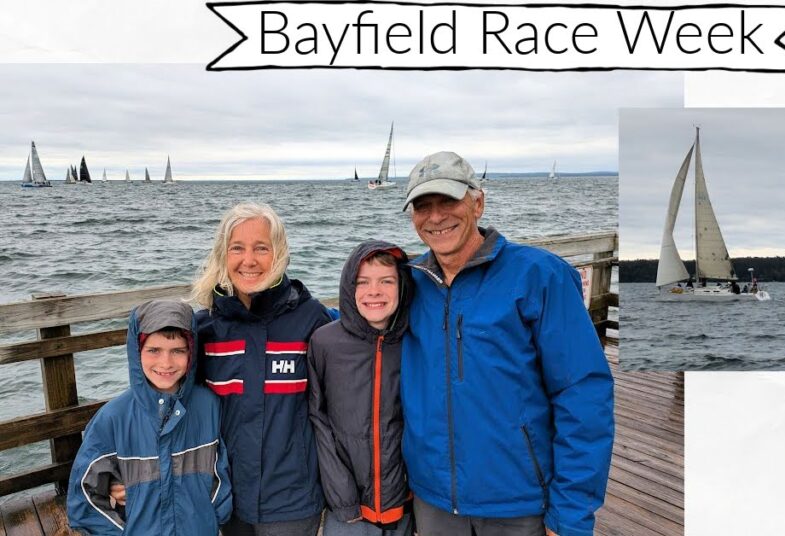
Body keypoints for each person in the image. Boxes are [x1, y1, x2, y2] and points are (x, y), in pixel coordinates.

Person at [400, 151, 614, 536]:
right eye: (422, 205)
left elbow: (583, 394)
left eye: (448, 200)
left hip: (519, 502)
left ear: (477, 202)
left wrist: (570, 515)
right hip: (432, 501)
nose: (435, 216)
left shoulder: (539, 275)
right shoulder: (407, 282)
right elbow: (356, 322)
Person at [190, 202, 331, 535]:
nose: (249, 260)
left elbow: (346, 395)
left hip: (292, 500)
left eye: (261, 248)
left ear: (279, 253)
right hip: (226, 496)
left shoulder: (311, 320)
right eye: (237, 248)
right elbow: (166, 405)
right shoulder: (205, 329)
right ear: (222, 254)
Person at [68, 300, 232, 535]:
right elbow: (85, 496)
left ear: (191, 352)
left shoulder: (209, 406)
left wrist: (214, 518)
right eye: (154, 350)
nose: (166, 363)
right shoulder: (113, 418)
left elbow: (221, 473)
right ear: (137, 352)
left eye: (178, 350)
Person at [308, 241, 415, 536]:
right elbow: (318, 420)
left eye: (387, 281)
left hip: (405, 505)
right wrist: (342, 496)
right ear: (348, 287)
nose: (374, 291)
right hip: (348, 511)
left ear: (402, 285)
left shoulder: (415, 339)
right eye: (362, 282)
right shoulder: (325, 343)